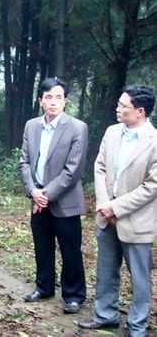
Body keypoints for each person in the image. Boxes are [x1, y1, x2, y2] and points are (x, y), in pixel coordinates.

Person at [79, 85, 156, 336]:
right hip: (106, 216)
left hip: (136, 221)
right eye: (119, 103)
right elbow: (99, 167)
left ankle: (137, 325)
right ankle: (105, 315)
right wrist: (105, 204)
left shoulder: (154, 142)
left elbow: (152, 185)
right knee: (106, 270)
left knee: (140, 277)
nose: (118, 108)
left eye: (124, 105)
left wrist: (117, 207)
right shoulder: (112, 132)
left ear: (140, 111)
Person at [18, 77, 88, 314]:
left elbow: (73, 169)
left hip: (64, 201)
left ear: (65, 101)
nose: (53, 102)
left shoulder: (77, 128)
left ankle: (74, 295)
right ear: (40, 101)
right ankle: (44, 286)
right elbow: (25, 161)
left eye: (58, 97)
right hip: (37, 198)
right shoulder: (32, 125)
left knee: (70, 249)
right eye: (48, 97)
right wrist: (33, 191)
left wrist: (45, 194)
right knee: (42, 246)